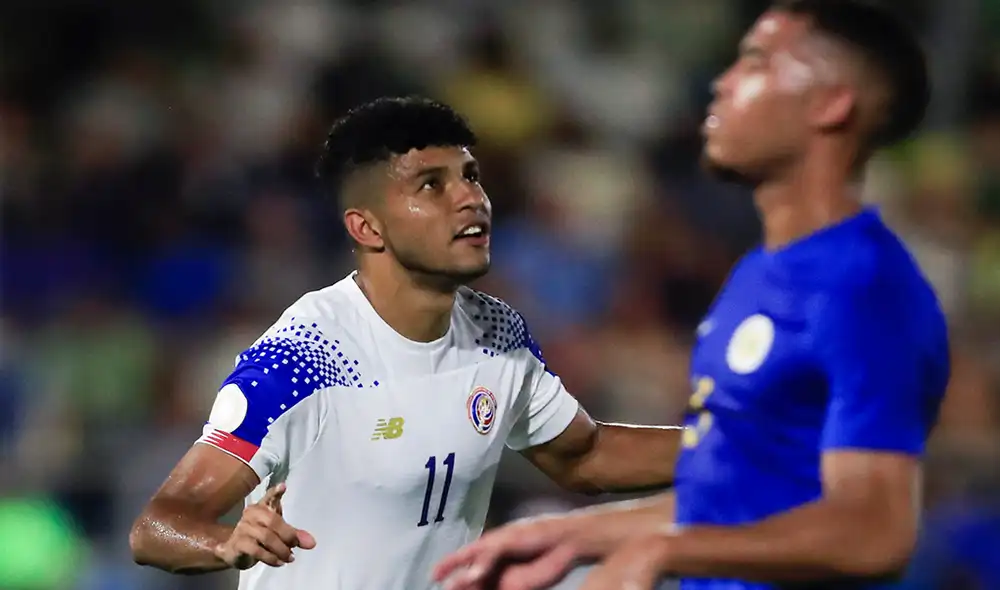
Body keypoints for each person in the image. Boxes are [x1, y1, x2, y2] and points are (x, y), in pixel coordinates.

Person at [433, 1, 950, 589]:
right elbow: (729, 492)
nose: (724, 83)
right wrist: (571, 535)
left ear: (831, 104)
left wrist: (658, 550)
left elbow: (873, 532)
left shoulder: (866, 286)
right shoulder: (757, 274)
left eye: (757, 61)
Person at [128, 96, 683, 590]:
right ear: (367, 229)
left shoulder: (498, 333)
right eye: (432, 185)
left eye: (471, 175)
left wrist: (732, 444)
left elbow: (585, 456)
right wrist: (225, 544)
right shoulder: (303, 358)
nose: (470, 198)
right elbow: (156, 527)